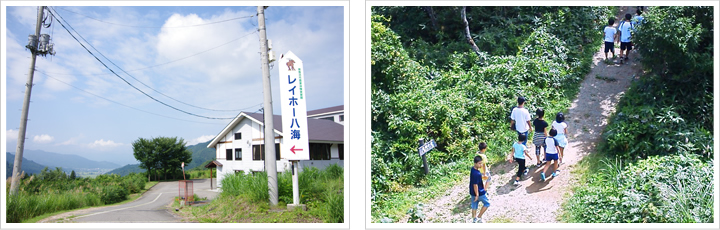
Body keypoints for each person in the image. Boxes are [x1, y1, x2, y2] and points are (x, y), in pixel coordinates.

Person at [469, 155, 490, 223]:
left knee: (474, 205)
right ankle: (479, 217)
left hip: (472, 191)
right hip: (479, 192)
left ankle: (474, 219)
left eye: (481, 163)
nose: (481, 165)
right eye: (479, 163)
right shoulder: (477, 174)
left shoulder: (473, 169)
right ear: (475, 163)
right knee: (487, 203)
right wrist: (477, 195)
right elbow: (475, 185)